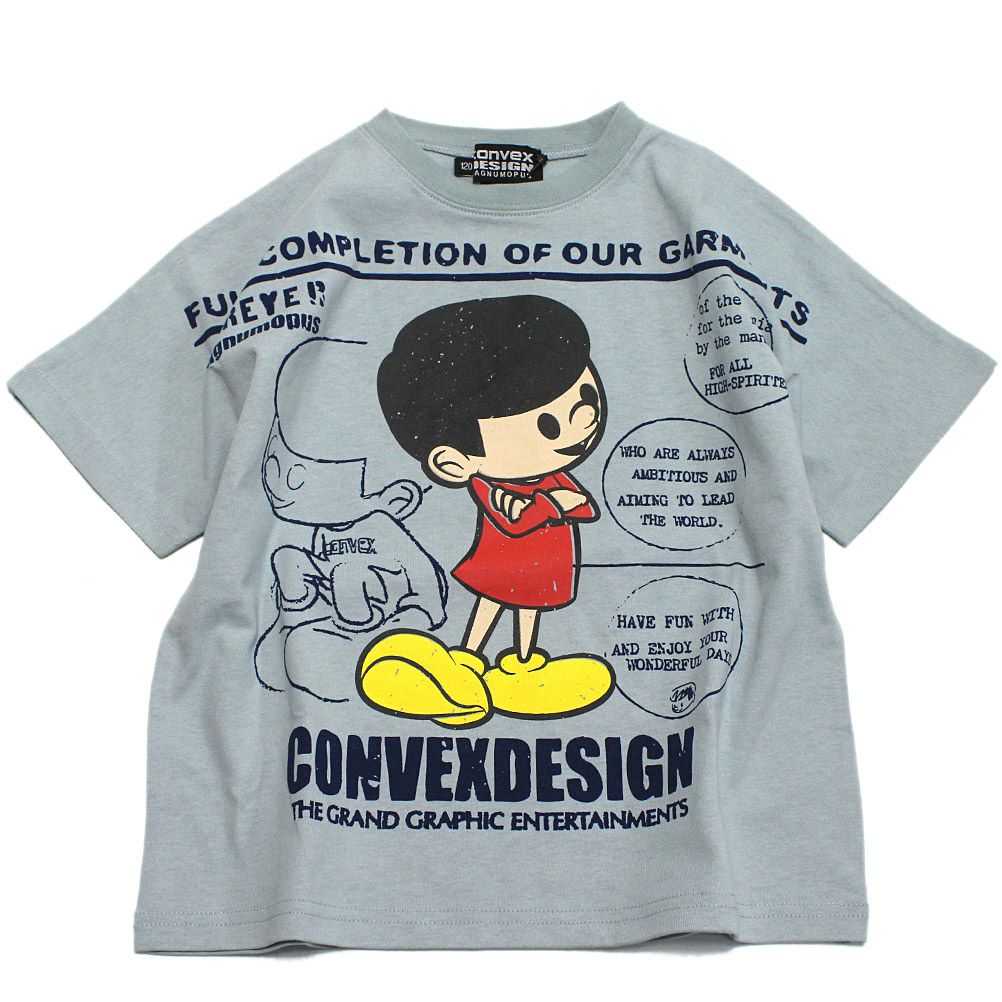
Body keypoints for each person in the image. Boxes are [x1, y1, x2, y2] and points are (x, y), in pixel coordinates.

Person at [357, 295, 616, 727]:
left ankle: (525, 665)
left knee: (531, 609)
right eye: (548, 424)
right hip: (504, 562)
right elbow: (514, 522)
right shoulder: (489, 485)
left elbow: (585, 509)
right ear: (454, 463)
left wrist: (562, 504)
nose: (585, 419)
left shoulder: (554, 478)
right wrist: (553, 505)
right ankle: (466, 660)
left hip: (548, 563)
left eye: (586, 396)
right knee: (491, 604)